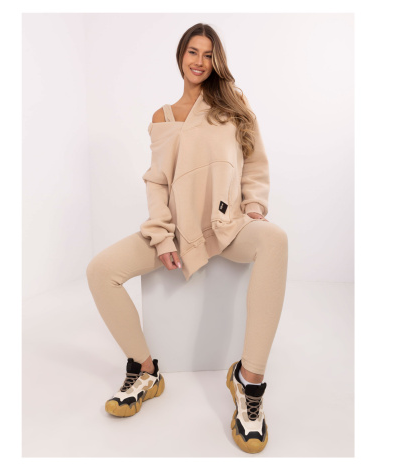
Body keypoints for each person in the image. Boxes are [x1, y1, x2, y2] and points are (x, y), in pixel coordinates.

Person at [86, 23, 288, 454]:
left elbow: (255, 161)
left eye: (208, 54)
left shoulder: (234, 105)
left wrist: (254, 206)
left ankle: (248, 382)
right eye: (193, 52)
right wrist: (162, 238)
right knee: (100, 270)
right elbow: (157, 182)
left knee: (275, 239)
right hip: (175, 229)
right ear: (181, 56)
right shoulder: (163, 117)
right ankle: (146, 371)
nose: (199, 61)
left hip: (227, 225)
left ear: (217, 61)